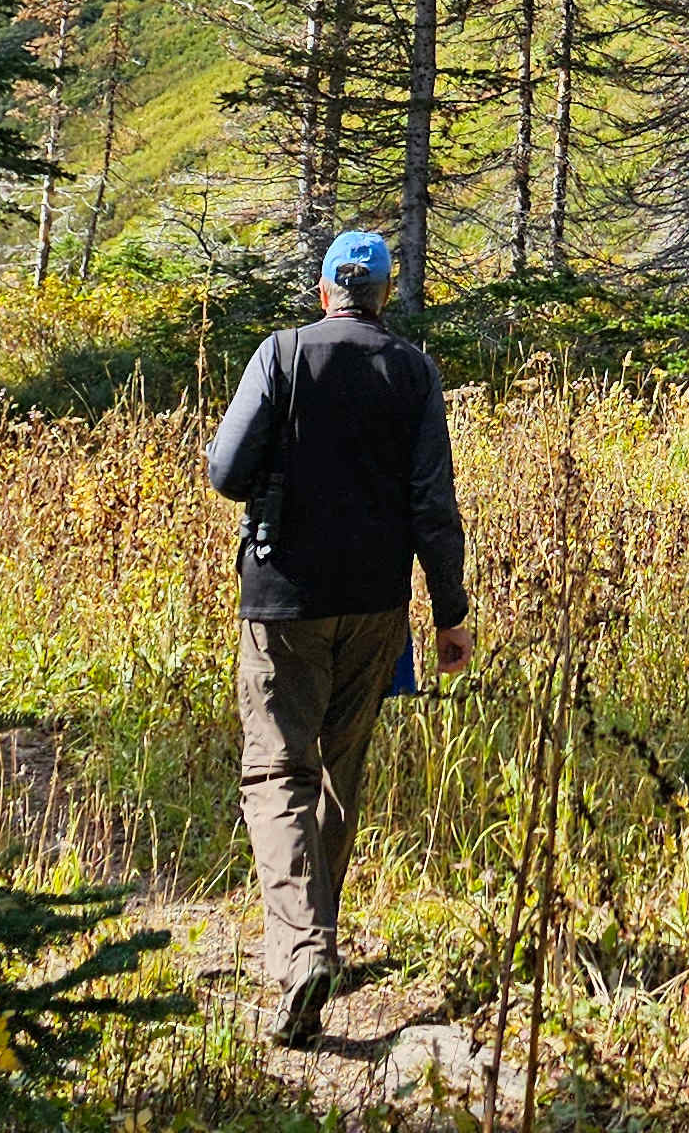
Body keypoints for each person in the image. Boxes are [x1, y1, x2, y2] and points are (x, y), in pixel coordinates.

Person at [203, 228, 474, 1048]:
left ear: (326, 290)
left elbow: (224, 471)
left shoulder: (280, 355)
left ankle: (302, 952)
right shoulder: (415, 371)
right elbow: (433, 503)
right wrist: (450, 611)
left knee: (278, 769)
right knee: (338, 773)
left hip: (282, 602)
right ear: (384, 295)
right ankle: (311, 942)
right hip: (378, 608)